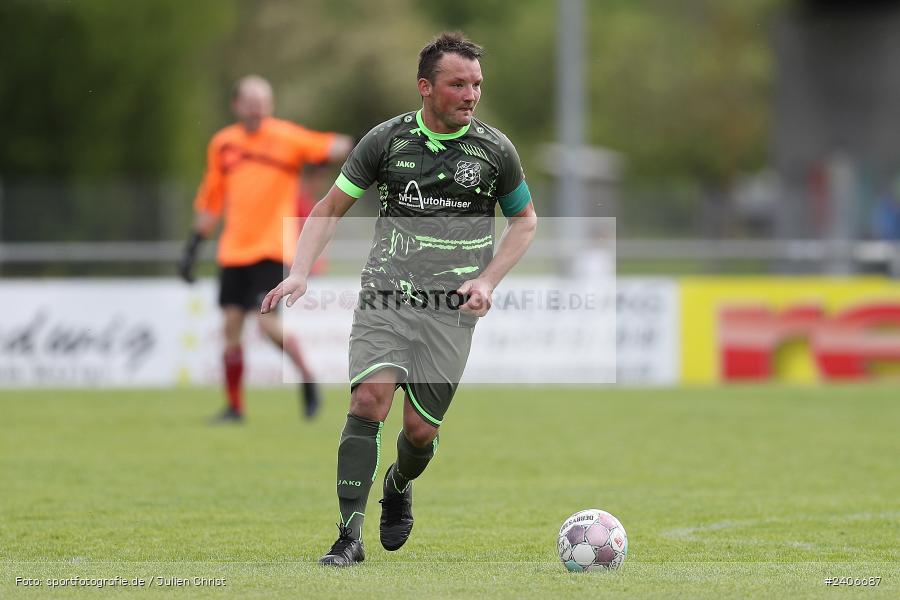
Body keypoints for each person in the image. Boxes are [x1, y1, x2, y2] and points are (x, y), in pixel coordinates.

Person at [261, 32, 537, 567]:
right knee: (369, 402)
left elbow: (525, 222)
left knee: (419, 431)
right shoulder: (386, 141)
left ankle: (398, 482)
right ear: (425, 87)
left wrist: (487, 282)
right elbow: (329, 207)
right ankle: (347, 536)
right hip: (386, 296)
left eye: (477, 84)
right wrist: (299, 273)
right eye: (458, 83)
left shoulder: (495, 150)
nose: (471, 94)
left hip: (451, 310)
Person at [179, 75, 353, 423]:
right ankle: (234, 407)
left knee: (266, 326)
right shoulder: (224, 144)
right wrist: (194, 245)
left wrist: (369, 149)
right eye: (251, 101)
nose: (258, 107)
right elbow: (212, 198)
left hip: (271, 247)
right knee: (230, 328)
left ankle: (306, 378)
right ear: (237, 105)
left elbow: (338, 146)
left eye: (264, 101)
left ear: (270, 106)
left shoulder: (287, 137)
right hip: (233, 251)